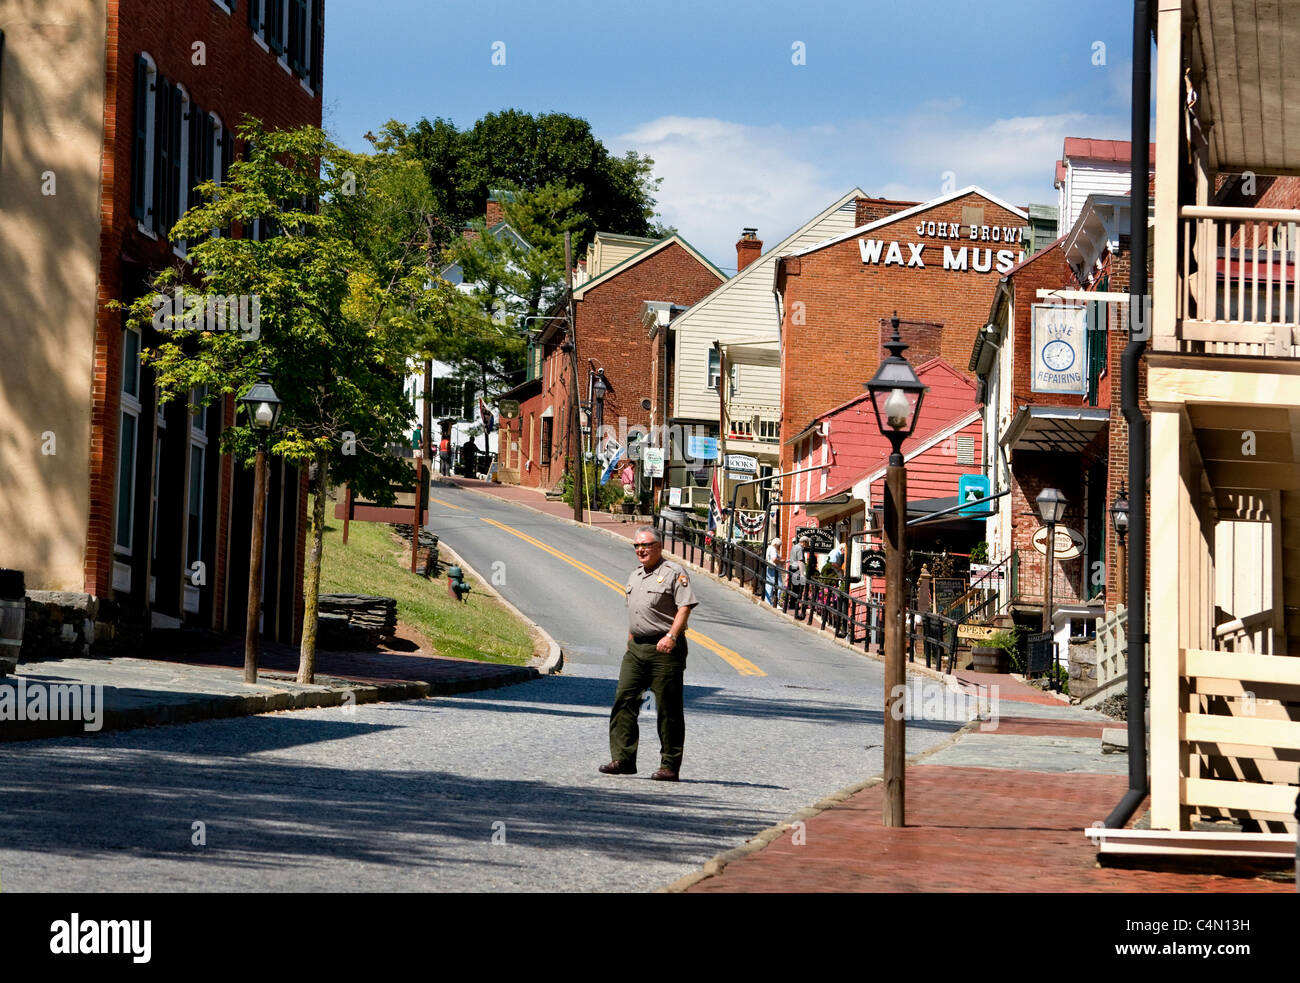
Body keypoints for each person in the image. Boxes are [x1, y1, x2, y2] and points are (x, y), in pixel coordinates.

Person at [600, 526, 699, 782]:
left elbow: (685, 607)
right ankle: (623, 759)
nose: (641, 550)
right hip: (636, 649)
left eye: (646, 545)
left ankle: (669, 765)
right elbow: (634, 612)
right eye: (637, 546)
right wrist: (631, 638)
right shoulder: (635, 575)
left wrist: (672, 636)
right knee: (624, 700)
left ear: (659, 546)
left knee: (668, 708)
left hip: (664, 649)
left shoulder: (674, 573)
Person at [765, 539, 780, 605]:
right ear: (775, 544)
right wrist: (781, 561)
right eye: (779, 546)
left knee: (768, 585)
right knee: (780, 586)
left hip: (768, 567)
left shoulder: (769, 548)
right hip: (773, 568)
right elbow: (774, 559)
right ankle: (777, 603)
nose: (780, 547)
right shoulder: (773, 549)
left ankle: (767, 601)